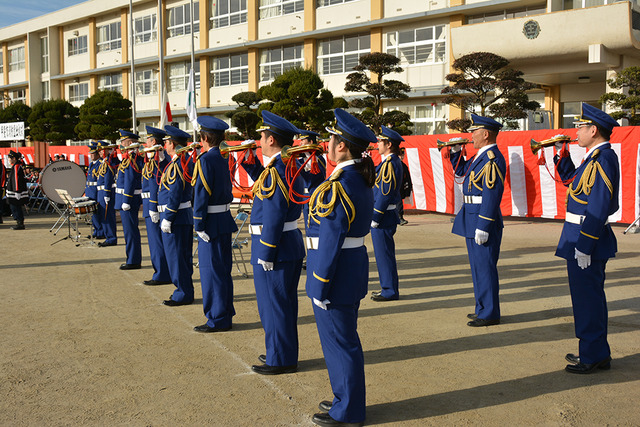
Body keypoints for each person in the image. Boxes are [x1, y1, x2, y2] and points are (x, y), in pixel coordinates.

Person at [306, 108, 375, 427]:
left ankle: (348, 411)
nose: (327, 146)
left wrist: (319, 284)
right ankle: (343, 398)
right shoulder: (354, 177)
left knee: (341, 343)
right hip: (350, 268)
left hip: (335, 274)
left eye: (331, 141)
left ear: (342, 147)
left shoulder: (341, 184)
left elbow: (332, 239)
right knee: (340, 341)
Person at [554, 103, 620, 374]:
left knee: (587, 300)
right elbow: (576, 184)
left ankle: (592, 355)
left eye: (580, 127)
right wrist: (561, 157)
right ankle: (594, 351)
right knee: (588, 298)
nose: (576, 132)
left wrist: (584, 245)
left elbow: (599, 206)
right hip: (580, 236)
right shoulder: (593, 158)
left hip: (585, 239)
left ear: (593, 130)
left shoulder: (603, 158)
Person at [239, 110, 305, 375]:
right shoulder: (283, 166)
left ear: (272, 140)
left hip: (273, 244)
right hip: (284, 243)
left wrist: (266, 250)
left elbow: (275, 212)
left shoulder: (278, 169)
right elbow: (268, 192)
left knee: (274, 305)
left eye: (262, 137)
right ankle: (281, 351)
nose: (259, 141)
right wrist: (250, 164)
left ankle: (280, 358)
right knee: (281, 303)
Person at [448, 114, 506, 327]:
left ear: (486, 134)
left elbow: (492, 193)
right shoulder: (480, 156)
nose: (471, 136)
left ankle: (489, 312)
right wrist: (455, 153)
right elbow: (462, 172)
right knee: (477, 267)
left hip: (482, 218)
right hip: (471, 215)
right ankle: (482, 307)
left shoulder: (492, 157)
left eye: (474, 132)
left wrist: (484, 224)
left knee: (485, 267)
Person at [191, 116, 238, 333]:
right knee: (223, 271)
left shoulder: (205, 160)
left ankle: (217, 318)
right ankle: (224, 314)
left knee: (211, 273)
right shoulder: (223, 158)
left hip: (210, 222)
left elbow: (201, 193)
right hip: (224, 220)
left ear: (204, 138)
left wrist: (198, 223)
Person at [158, 125, 195, 306]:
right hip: (181, 216)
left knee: (177, 258)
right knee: (181, 258)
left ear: (172, 143)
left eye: (166, 142)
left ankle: (183, 293)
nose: (164, 144)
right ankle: (184, 290)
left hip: (177, 216)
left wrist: (168, 216)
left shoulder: (180, 162)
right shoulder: (181, 161)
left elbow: (175, 192)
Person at [370, 125, 404, 302]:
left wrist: (376, 215)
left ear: (389, 144)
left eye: (380, 141)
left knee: (384, 256)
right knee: (384, 255)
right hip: (385, 215)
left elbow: (385, 192)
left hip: (383, 216)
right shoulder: (388, 162)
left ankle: (389, 290)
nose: (378, 144)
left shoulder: (390, 163)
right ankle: (387, 287)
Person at [141, 126, 172, 286]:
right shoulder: (153, 159)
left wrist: (153, 206)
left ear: (153, 141)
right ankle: (161, 272)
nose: (145, 142)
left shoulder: (160, 160)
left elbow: (155, 185)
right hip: (148, 205)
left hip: (153, 206)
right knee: (155, 243)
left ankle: (161, 274)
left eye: (147, 139)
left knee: (156, 243)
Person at [116, 130, 144, 270]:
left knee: (130, 231)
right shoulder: (129, 157)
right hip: (125, 197)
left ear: (131, 143)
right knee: (129, 231)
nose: (121, 144)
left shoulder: (132, 158)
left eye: (124, 141)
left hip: (128, 199)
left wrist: (126, 199)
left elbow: (130, 180)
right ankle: (132, 258)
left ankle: (133, 260)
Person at [96, 142, 120, 247]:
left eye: (102, 150)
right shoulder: (104, 162)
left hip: (106, 192)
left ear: (106, 150)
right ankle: (108, 236)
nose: (100, 152)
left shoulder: (109, 163)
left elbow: (108, 179)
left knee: (108, 216)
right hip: (101, 192)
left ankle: (111, 238)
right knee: (103, 216)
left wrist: (106, 193)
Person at [85, 141, 104, 239]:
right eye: (90, 154)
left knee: (98, 213)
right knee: (93, 214)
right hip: (90, 191)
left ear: (97, 154)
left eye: (93, 154)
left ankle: (100, 232)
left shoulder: (100, 164)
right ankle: (96, 231)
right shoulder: (91, 164)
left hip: (96, 192)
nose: (91, 156)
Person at [5, 150, 28, 230]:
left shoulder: (16, 166)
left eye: (10, 158)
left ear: (14, 158)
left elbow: (16, 180)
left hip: (15, 192)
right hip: (13, 191)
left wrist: (17, 191)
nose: (9, 160)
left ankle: (20, 223)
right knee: (14, 207)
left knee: (16, 207)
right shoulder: (15, 166)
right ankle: (19, 222)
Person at [398, 147, 412, 226]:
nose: (402, 157)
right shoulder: (395, 164)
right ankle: (399, 218)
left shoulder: (403, 165)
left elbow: (407, 177)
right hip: (396, 188)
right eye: (401, 155)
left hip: (401, 187)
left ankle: (399, 217)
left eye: (403, 155)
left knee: (399, 203)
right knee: (398, 203)